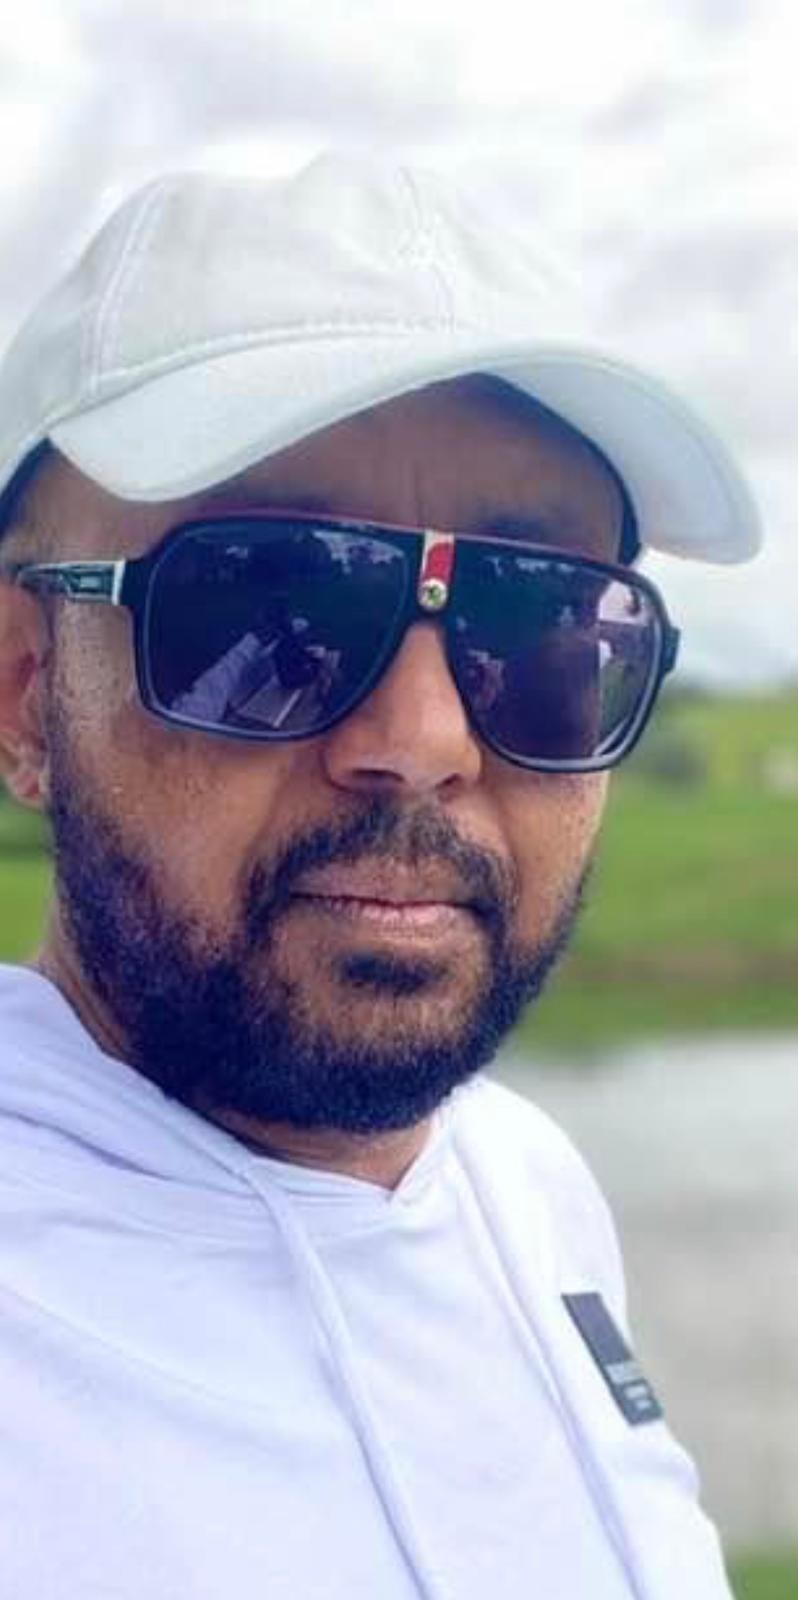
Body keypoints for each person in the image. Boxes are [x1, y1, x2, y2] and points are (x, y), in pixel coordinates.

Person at [0, 156, 759, 1600]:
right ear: (28, 688)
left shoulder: (526, 1183)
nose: (421, 742)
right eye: (271, 605)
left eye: (540, 623)